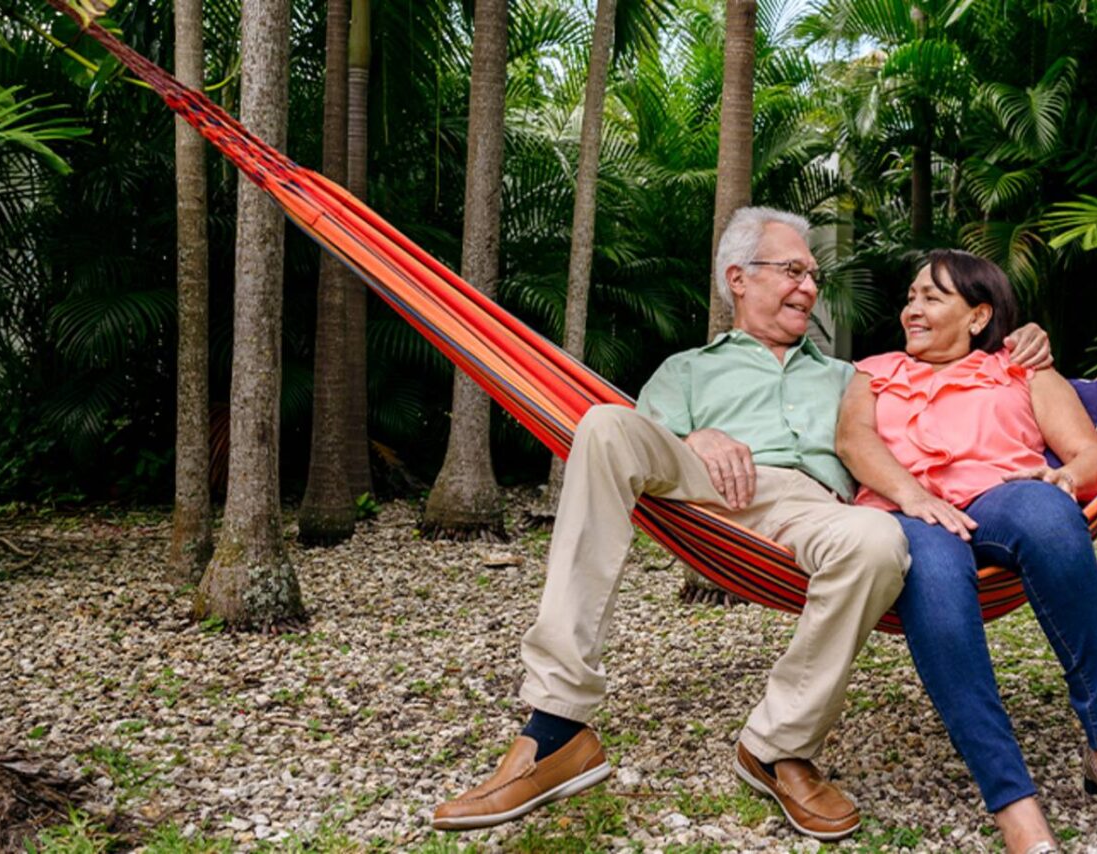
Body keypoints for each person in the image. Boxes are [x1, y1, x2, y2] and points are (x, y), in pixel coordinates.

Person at [431, 209, 1052, 841]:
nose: (809, 287)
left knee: (879, 540)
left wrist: (1015, 337)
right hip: (705, 495)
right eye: (792, 270)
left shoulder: (854, 375)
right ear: (739, 278)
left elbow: (954, 371)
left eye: (812, 274)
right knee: (602, 424)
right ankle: (557, 725)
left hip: (814, 508)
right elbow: (638, 448)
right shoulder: (688, 370)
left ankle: (778, 745)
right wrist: (696, 437)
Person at [836, 250, 1097, 854]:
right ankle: (1014, 804)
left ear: (977, 315)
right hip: (906, 512)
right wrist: (913, 497)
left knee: (1048, 515)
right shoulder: (874, 372)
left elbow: (1090, 457)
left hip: (1000, 499)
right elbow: (853, 440)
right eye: (911, 296)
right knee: (932, 571)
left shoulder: (1021, 370)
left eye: (932, 297)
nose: (912, 308)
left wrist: (1063, 481)